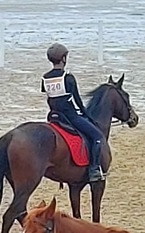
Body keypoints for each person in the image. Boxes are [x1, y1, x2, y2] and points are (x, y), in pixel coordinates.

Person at [41, 43, 105, 182]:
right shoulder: (68, 77)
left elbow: (50, 97)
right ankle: (94, 169)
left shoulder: (45, 78)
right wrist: (87, 116)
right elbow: (77, 102)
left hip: (53, 116)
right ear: (63, 59)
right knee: (97, 136)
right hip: (70, 117)